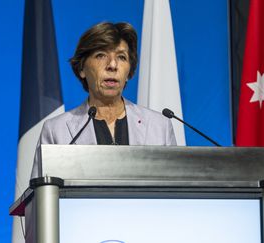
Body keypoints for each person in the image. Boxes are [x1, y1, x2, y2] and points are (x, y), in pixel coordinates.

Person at [31, 22, 176, 178]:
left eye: (121, 57)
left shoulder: (159, 127)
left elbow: (178, 193)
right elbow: (39, 198)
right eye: (101, 55)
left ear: (129, 72)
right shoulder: (56, 131)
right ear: (82, 69)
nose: (112, 65)